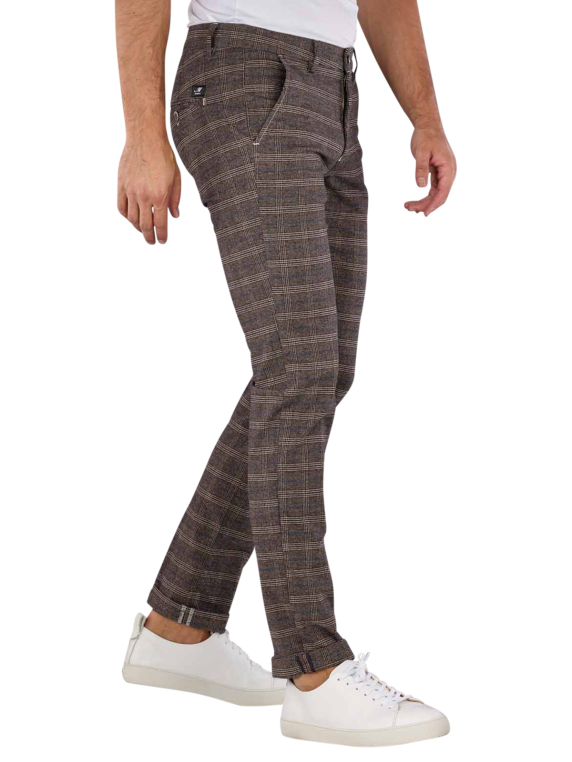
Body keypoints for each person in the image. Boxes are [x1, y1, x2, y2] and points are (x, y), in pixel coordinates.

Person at [115, 0, 457, 748]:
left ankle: (179, 626)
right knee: (298, 368)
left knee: (319, 372)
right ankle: (313, 666)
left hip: (336, 92)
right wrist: (142, 135)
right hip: (243, 75)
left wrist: (426, 119)